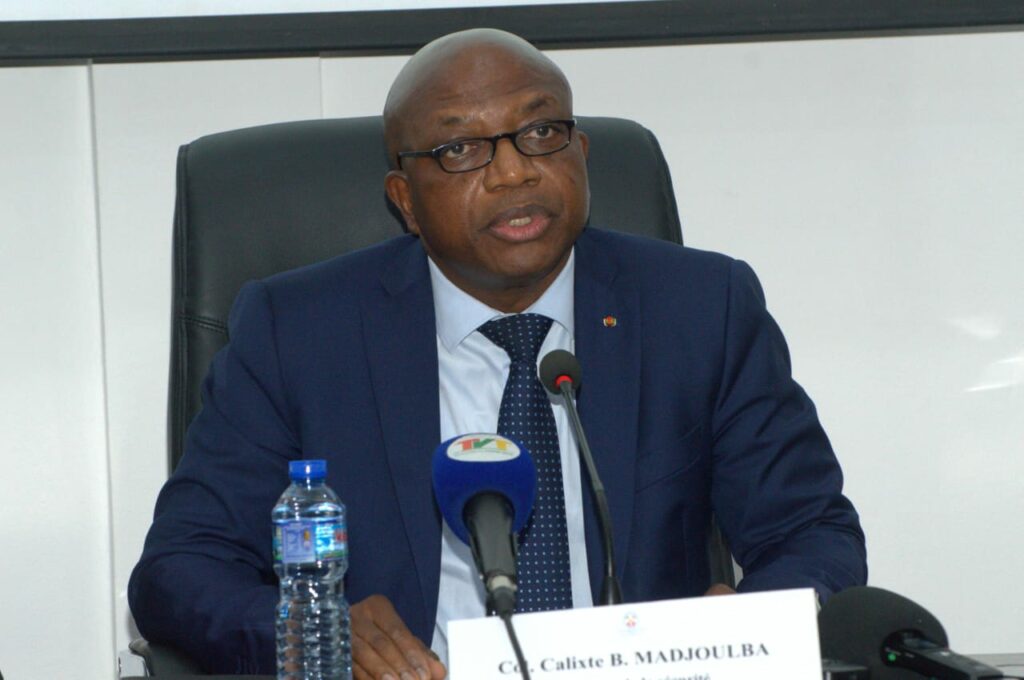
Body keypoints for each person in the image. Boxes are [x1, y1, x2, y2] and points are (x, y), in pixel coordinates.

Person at [129, 28, 866, 679]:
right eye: (460, 149)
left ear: (580, 154)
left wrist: (747, 628)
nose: (514, 172)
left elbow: (811, 534)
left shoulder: (700, 309)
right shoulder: (299, 332)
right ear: (405, 200)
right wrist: (316, 634)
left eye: (541, 132)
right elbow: (180, 568)